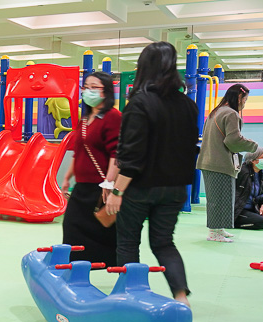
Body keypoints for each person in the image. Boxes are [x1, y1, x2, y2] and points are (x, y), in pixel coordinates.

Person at [105, 42, 198, 305]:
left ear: (144, 67)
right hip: (175, 188)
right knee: (163, 243)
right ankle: (181, 297)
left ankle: (130, 296)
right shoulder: (188, 106)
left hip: (140, 188)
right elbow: (189, 149)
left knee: (127, 242)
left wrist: (117, 191)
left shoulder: (139, 103)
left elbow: (132, 156)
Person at [61, 71, 121, 266]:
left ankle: (107, 265)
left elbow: (116, 153)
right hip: (82, 186)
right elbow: (78, 152)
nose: (88, 91)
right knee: (72, 226)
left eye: (94, 87)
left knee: (103, 228)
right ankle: (78, 266)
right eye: (86, 87)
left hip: (101, 186)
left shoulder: (113, 117)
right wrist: (67, 177)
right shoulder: (85, 119)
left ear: (107, 91)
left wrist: (109, 182)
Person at [197, 84, 258, 243]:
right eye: (245, 99)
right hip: (219, 162)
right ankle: (213, 232)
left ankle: (219, 228)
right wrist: (252, 146)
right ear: (239, 97)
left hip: (209, 161)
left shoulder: (216, 112)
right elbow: (233, 141)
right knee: (219, 199)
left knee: (219, 197)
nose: (245, 102)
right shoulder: (231, 114)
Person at [234, 148, 263, 230]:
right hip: (240, 209)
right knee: (261, 222)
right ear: (253, 160)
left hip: (253, 208)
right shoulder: (242, 172)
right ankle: (233, 223)